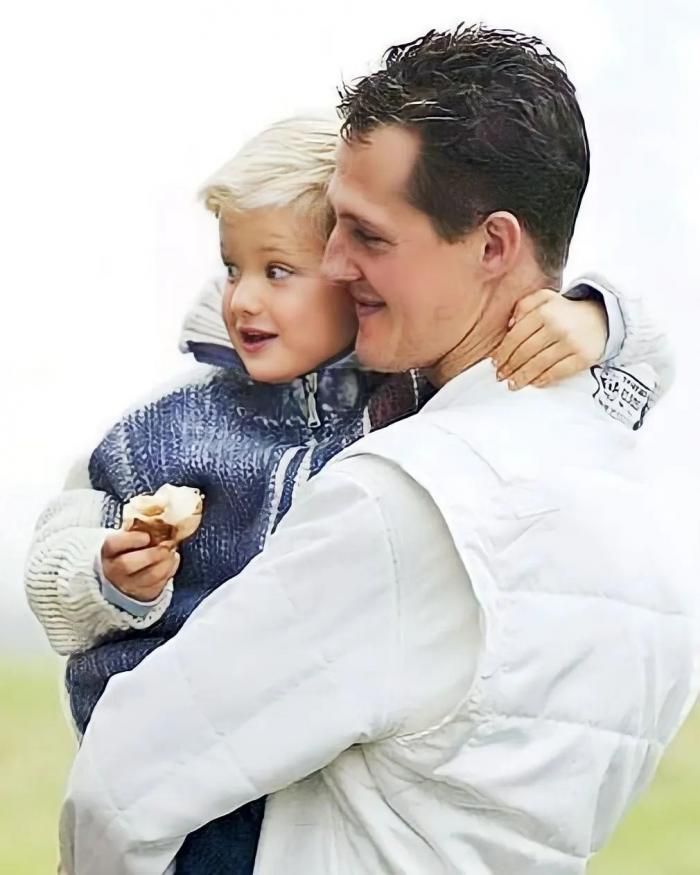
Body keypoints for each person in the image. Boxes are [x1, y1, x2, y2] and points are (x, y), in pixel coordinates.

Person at [57, 26, 696, 875]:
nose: (332, 262)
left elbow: (119, 788)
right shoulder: (650, 523)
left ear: (494, 246)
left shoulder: (404, 501)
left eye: (367, 235)